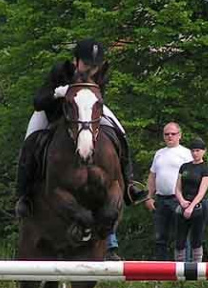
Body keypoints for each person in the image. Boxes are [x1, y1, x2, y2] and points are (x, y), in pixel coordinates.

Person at [15, 39, 147, 219]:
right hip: (53, 112)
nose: (90, 70)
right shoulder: (60, 71)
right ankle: (24, 194)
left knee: (119, 132)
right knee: (31, 140)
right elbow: (38, 102)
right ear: (76, 60)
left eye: (94, 66)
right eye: (87, 64)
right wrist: (57, 93)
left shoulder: (101, 74)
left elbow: (98, 100)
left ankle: (129, 184)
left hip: (87, 114)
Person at [144, 122, 193, 260]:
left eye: (173, 134)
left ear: (180, 135)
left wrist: (188, 200)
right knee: (160, 237)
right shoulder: (159, 153)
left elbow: (193, 177)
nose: (170, 136)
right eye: (167, 134)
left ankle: (185, 272)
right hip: (160, 200)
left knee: (182, 237)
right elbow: (152, 176)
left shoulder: (186, 153)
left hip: (179, 200)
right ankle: (162, 275)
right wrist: (148, 197)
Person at [174, 138, 208, 262]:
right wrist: (182, 201)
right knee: (180, 239)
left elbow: (202, 191)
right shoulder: (184, 167)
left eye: (198, 150)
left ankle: (197, 267)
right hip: (184, 202)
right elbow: (177, 187)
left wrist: (191, 206)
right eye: (193, 151)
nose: (195, 153)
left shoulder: (205, 169)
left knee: (197, 238)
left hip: (198, 205)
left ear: (203, 151)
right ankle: (179, 267)